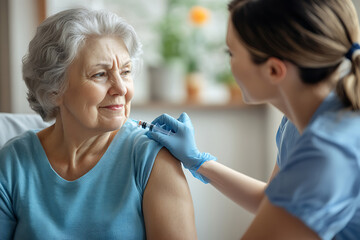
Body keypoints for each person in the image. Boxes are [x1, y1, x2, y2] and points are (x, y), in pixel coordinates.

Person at [147, 0, 360, 239]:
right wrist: (196, 160)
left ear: (273, 70)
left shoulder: (329, 150)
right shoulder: (297, 122)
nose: (229, 65)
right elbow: (273, 203)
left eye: (232, 53)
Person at [0, 8, 197, 239]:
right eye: (100, 74)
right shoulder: (12, 163)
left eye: (125, 72)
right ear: (54, 89)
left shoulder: (151, 158)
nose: (121, 89)